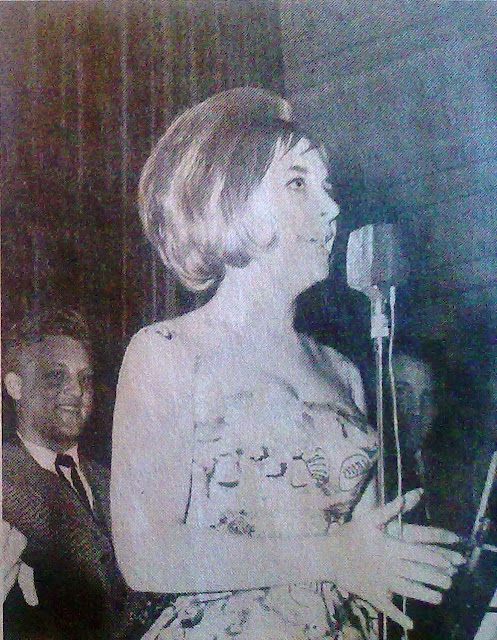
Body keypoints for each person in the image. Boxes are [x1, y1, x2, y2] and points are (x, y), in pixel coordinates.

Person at [111, 87, 464, 639]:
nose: (332, 207)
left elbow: (361, 554)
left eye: (328, 186)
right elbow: (144, 554)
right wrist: (334, 555)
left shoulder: (342, 372)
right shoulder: (166, 352)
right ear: (229, 201)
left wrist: (398, 561)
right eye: (298, 183)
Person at [2, 307, 160, 640]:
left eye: (84, 378)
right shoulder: (6, 480)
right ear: (15, 386)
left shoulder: (110, 480)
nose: (76, 391)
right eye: (55, 376)